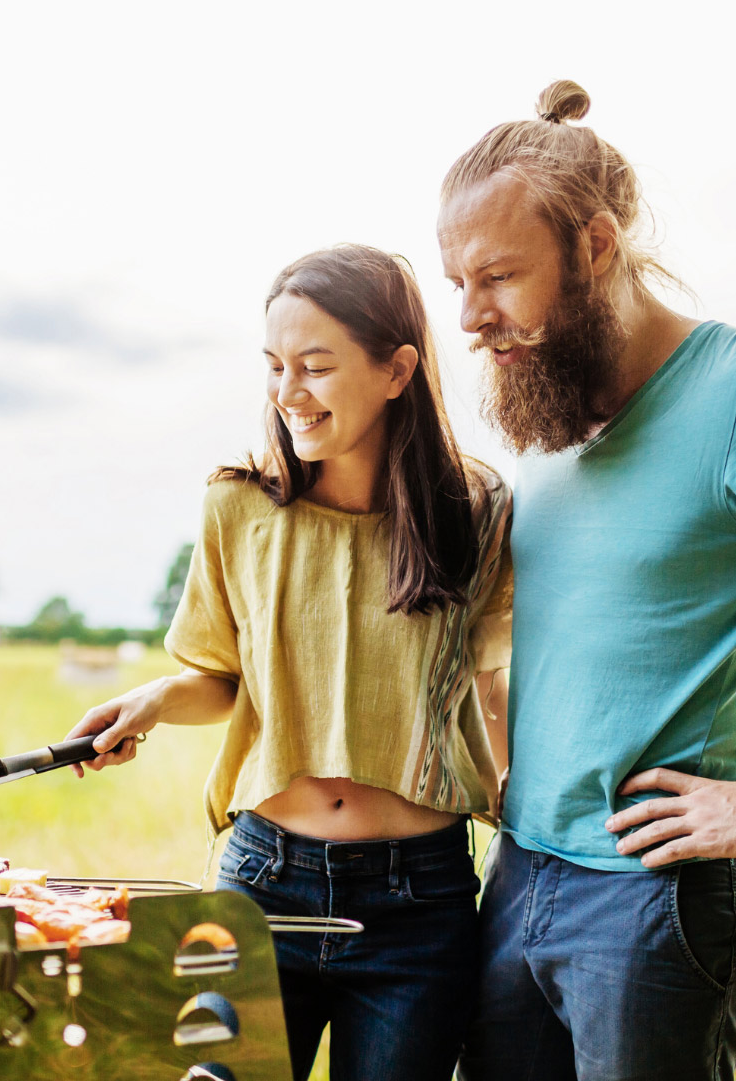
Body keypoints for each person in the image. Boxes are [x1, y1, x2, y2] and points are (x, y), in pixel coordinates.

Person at [65, 244, 513, 1081]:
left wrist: (528, 821)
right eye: (273, 366)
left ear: (396, 370)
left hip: (419, 901)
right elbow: (223, 679)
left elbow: (490, 682)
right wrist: (158, 699)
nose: (286, 393)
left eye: (313, 366)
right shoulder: (236, 504)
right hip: (263, 881)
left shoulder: (475, 509)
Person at [437, 79, 736, 1081]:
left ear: (596, 246)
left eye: (498, 277)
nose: (472, 317)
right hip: (522, 875)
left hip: (654, 895)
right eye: (456, 285)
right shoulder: (544, 421)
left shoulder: (727, 390)